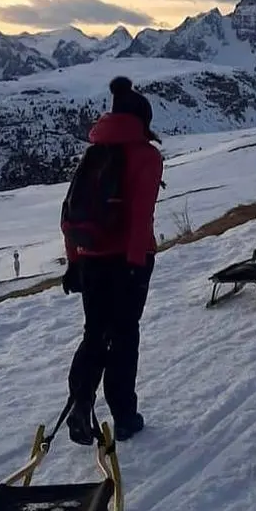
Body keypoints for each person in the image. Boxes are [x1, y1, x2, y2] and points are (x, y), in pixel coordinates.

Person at [63, 77, 163, 444]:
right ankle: (123, 415)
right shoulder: (146, 155)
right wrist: (136, 263)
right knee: (124, 335)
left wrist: (74, 260)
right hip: (126, 260)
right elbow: (141, 216)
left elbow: (70, 210)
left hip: (89, 257)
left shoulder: (95, 151)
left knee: (95, 332)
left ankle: (81, 402)